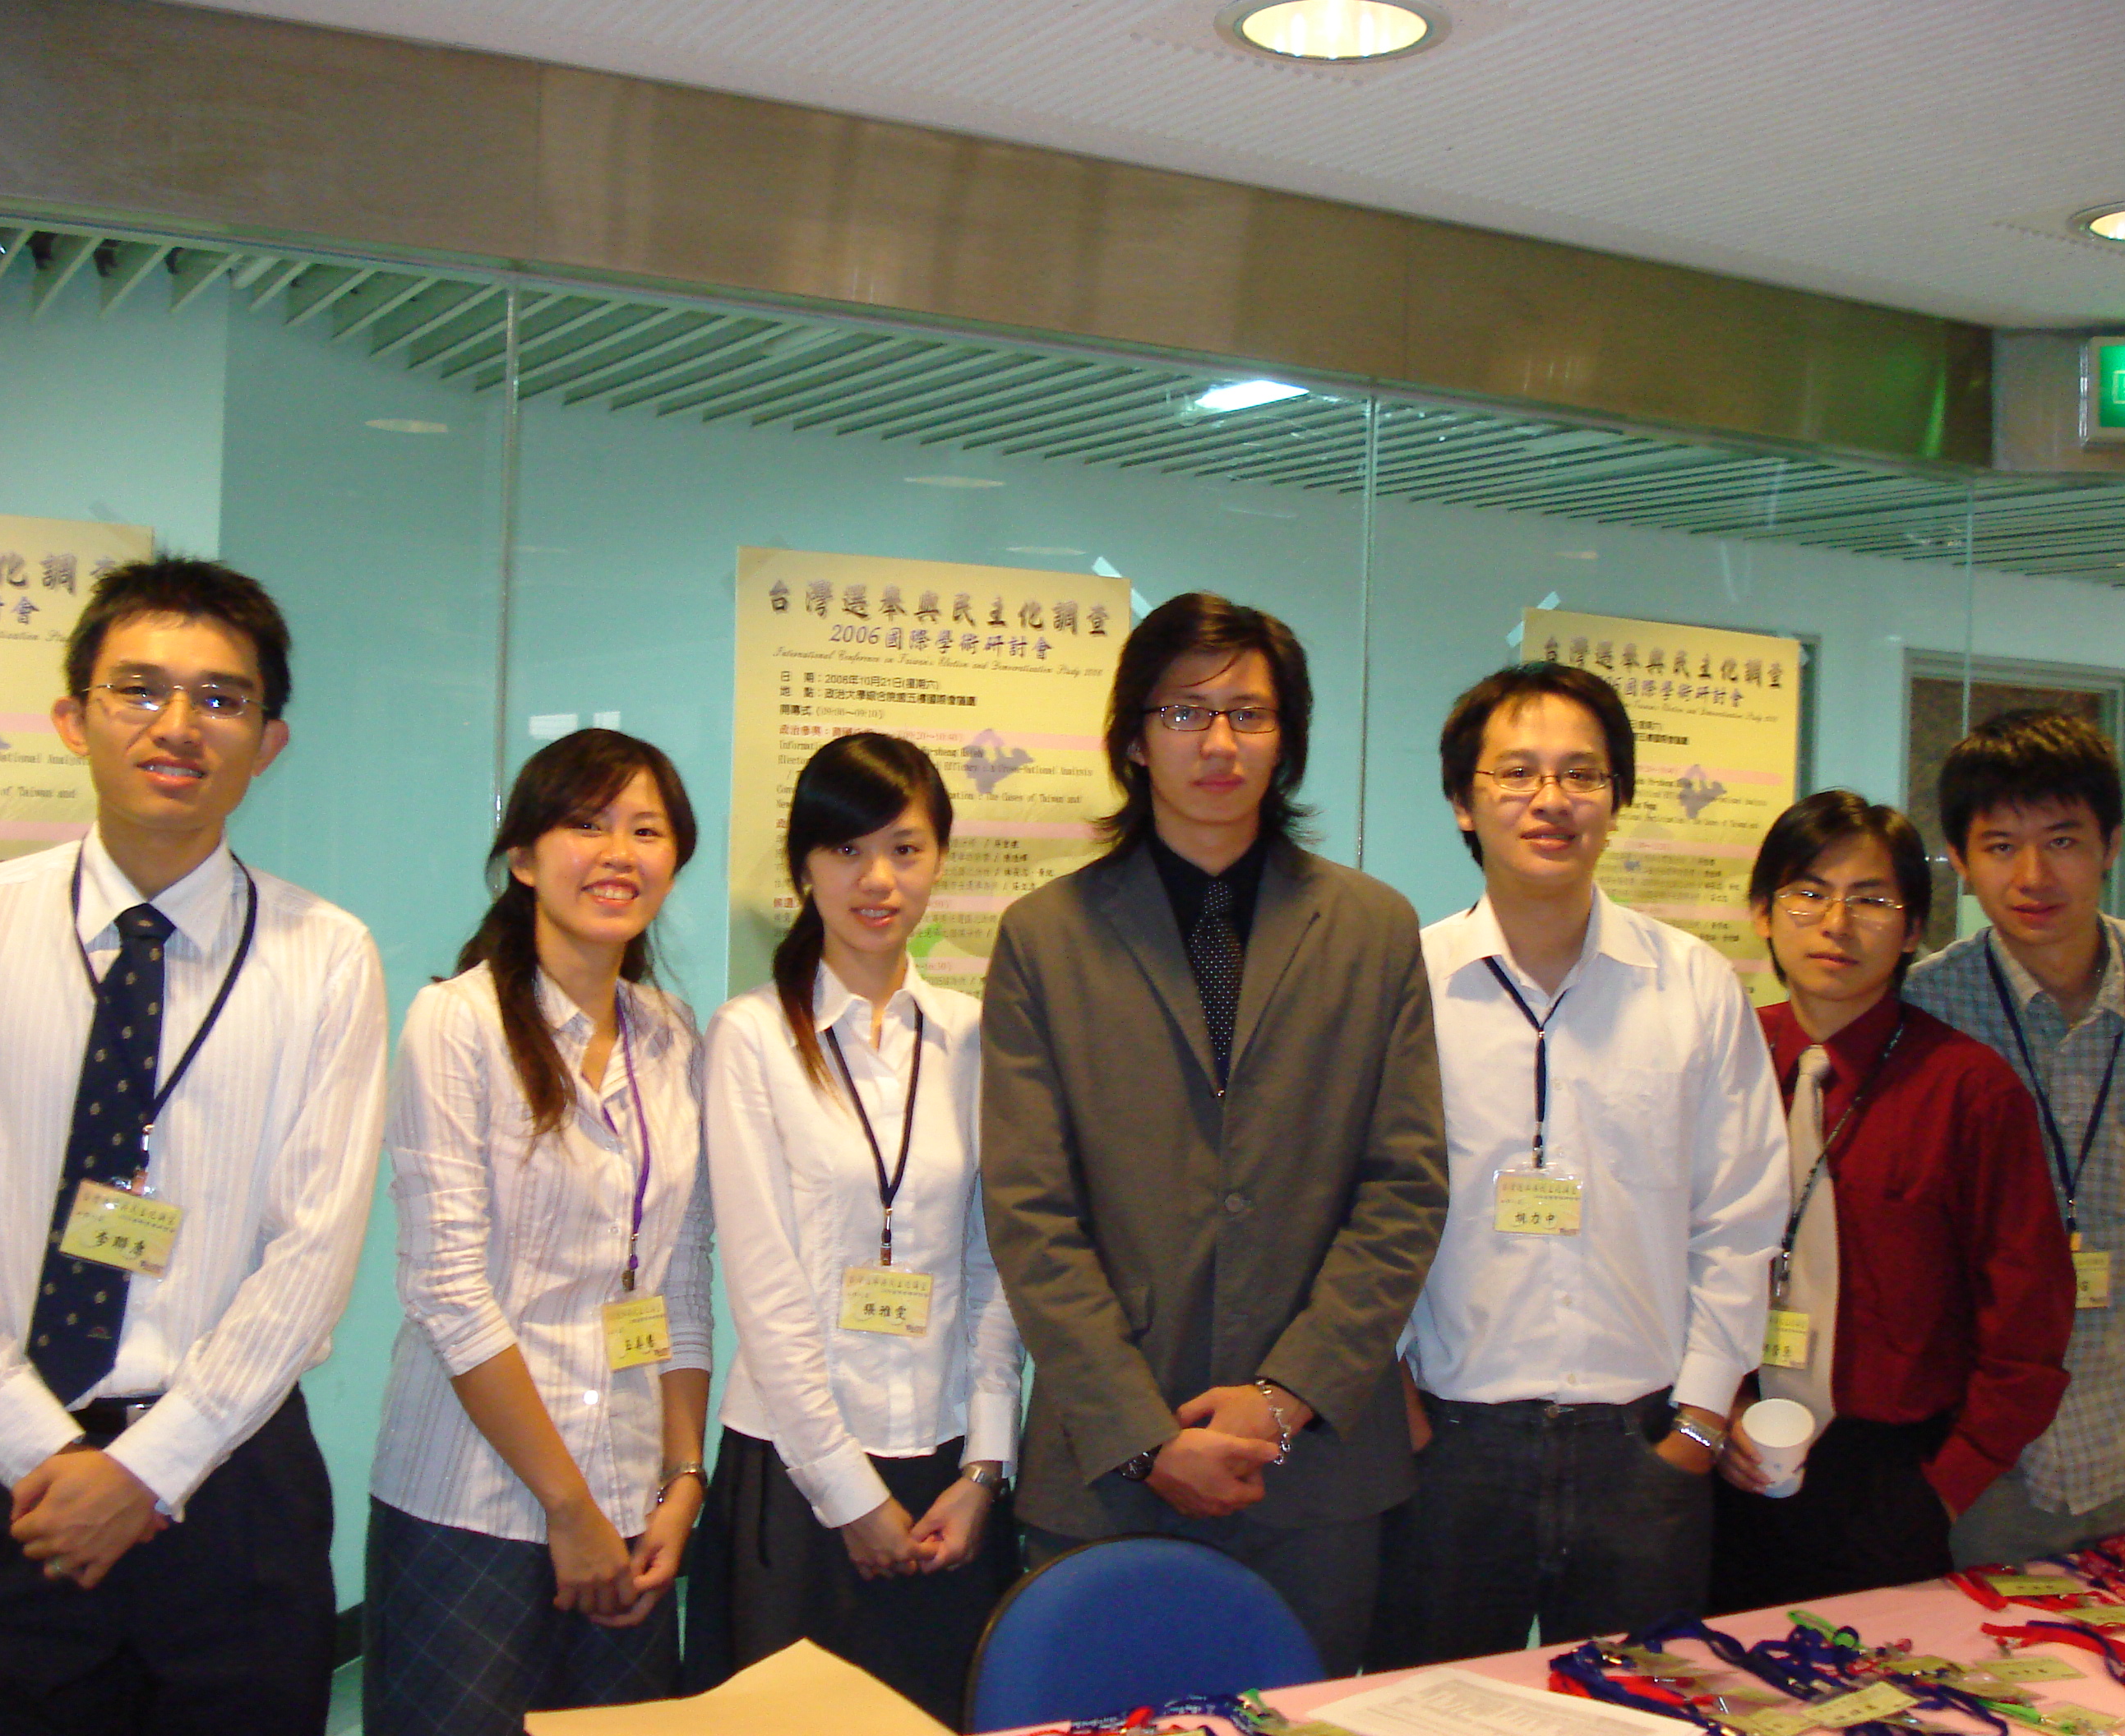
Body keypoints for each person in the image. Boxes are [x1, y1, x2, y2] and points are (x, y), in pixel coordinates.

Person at [0, 557, 389, 1735]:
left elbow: (313, 1251)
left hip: (233, 1484)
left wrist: (148, 1468)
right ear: (71, 717)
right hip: (9, 1476)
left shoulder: (327, 954)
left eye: (221, 698)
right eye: (138, 689)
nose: (177, 724)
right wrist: (43, 1452)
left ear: (269, 742)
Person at [981, 593, 1448, 1675]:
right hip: (1109, 1468)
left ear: (1287, 741)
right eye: (1185, 713)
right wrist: (1144, 1435)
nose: (1219, 742)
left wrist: (1284, 1402)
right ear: (1134, 740)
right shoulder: (1045, 938)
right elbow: (1030, 1214)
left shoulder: (1372, 930)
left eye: (1250, 713)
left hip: (1317, 1471)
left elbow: (1404, 1188)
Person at [1370, 663, 1786, 1667]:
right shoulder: (1401, 984)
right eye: (1515, 772)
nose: (1549, 799)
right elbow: (1347, 1207)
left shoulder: (1692, 987)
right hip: (1447, 1446)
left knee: (1638, 1711)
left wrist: (1697, 1419)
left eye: (1580, 774)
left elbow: (1738, 1214)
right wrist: (1391, 1400)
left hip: (1641, 1448)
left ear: (1616, 798)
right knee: (1432, 1709)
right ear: (1462, 801)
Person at [363, 728, 714, 1734]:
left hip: (632, 1493)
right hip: (472, 1501)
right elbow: (447, 1290)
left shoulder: (670, 1032)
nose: (617, 853)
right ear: (523, 857)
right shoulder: (457, 1022)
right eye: (586, 824)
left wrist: (681, 1481)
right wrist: (568, 1508)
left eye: (645, 829)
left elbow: (680, 1277)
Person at [694, 731, 1021, 1727]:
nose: (877, 879)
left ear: (939, 861)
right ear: (803, 868)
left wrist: (985, 1468)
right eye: (846, 850)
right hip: (795, 1476)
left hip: (947, 1474)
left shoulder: (974, 1035)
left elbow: (994, 1262)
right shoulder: (751, 1036)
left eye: (904, 849)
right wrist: (850, 1496)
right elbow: (764, 1288)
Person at [1710, 790, 2073, 1611]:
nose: (1836, 924)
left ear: (1912, 931)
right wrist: (1716, 1409)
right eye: (1807, 893)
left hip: (1887, 1476)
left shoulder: (1968, 1090)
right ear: (1762, 912)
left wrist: (1943, 1488)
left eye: (1871, 900)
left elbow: (2028, 1320)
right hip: (1722, 1454)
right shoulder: (1720, 1061)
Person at [1907, 709, 2125, 1563]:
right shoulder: (1927, 1006)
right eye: (1999, 846)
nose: (2033, 875)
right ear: (1959, 860)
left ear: (2110, 845)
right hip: (1984, 1449)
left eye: (2061, 840)